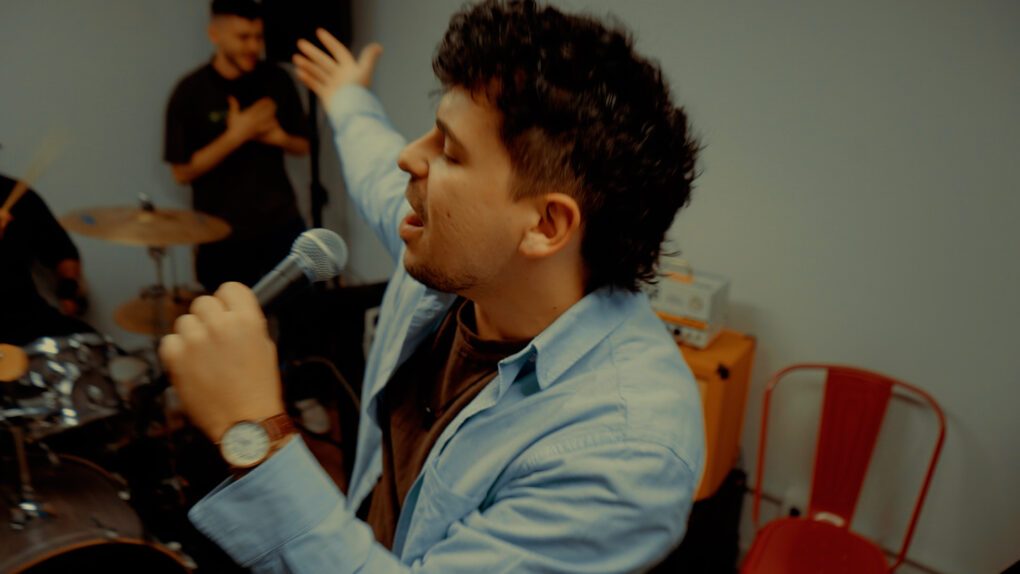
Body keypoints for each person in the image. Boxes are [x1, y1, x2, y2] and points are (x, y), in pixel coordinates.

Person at [158, 0, 706, 572]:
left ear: (546, 225)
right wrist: (346, 97)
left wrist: (252, 432)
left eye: (448, 149)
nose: (408, 156)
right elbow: (374, 160)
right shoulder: (458, 253)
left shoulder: (623, 451)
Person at [164, 0, 310, 291]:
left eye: (258, 37)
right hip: (220, 236)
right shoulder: (190, 92)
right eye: (243, 37)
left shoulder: (277, 80)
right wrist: (237, 135)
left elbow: (303, 145)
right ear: (215, 35)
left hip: (281, 225)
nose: (254, 46)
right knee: (233, 315)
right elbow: (181, 172)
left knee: (298, 312)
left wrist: (278, 137)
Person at [0, 173, 92, 346]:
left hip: (26, 315)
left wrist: (69, 293)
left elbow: (62, 251)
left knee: (101, 350)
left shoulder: (13, 192)